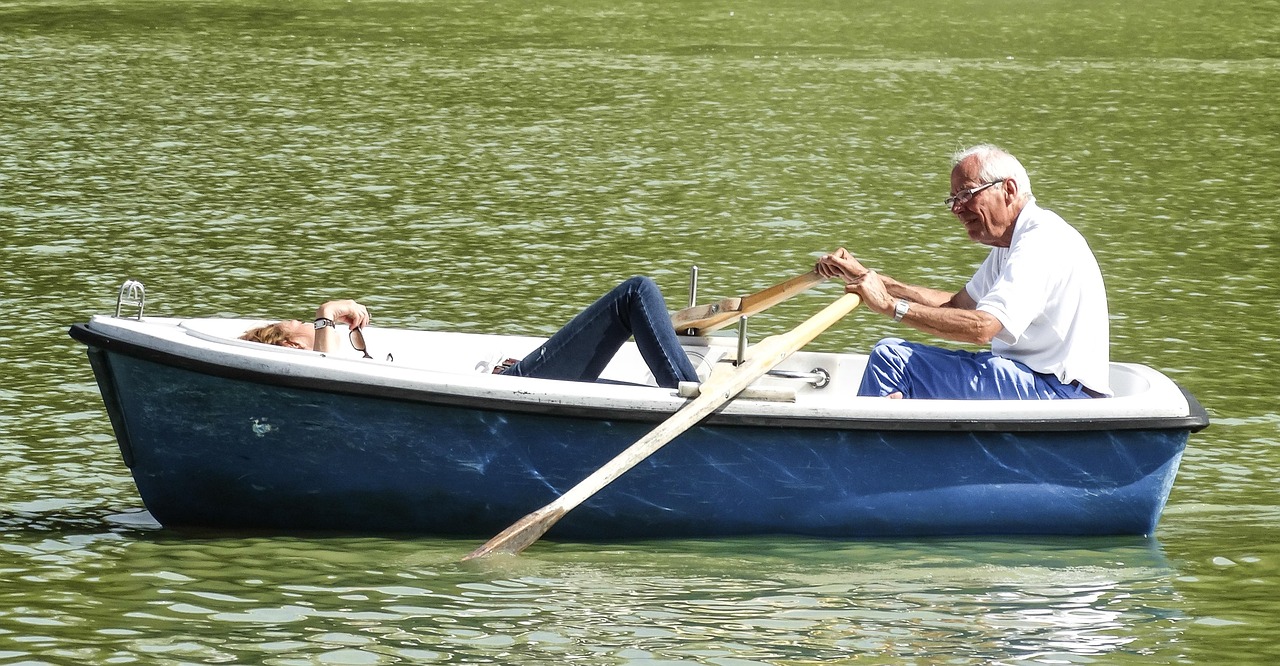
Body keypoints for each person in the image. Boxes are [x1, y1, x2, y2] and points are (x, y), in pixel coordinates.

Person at [816, 143, 1111, 400]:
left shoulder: (1041, 241)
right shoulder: (1011, 243)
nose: (957, 208)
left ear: (1008, 189)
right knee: (896, 360)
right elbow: (956, 306)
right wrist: (869, 278)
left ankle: (870, 458)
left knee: (891, 360)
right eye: (953, 199)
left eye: (967, 194)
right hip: (1039, 383)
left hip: (1057, 394)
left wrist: (890, 306)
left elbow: (982, 328)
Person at [240, 277, 701, 389]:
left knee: (627, 395)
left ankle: (687, 398)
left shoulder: (339, 357)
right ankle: (693, 397)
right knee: (634, 294)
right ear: (289, 344)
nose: (307, 321)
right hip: (515, 384)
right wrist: (324, 314)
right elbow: (325, 378)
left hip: (514, 380)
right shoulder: (320, 366)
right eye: (298, 323)